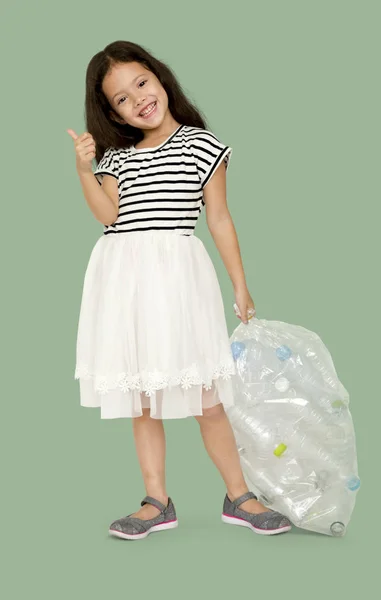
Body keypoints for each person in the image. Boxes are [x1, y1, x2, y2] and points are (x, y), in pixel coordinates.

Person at [68, 40, 292, 540]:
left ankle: (240, 495)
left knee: (206, 398)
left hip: (178, 284)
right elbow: (108, 216)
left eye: (141, 83)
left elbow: (219, 218)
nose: (137, 100)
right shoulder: (116, 158)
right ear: (110, 111)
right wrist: (84, 169)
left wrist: (240, 284)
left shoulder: (202, 145)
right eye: (121, 99)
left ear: (160, 77)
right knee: (144, 399)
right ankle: (156, 500)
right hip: (125, 284)